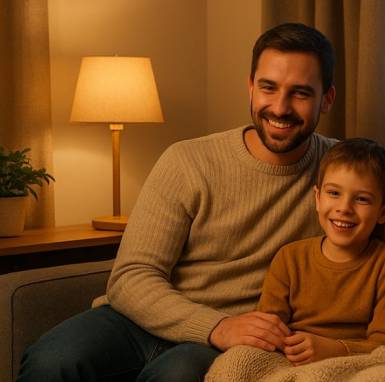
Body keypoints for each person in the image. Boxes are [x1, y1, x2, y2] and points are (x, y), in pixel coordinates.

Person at [18, 23, 338, 381]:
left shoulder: (341, 174)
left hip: (223, 343)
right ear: (250, 87)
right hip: (138, 322)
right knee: (51, 360)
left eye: (300, 93)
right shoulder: (188, 161)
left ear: (327, 99)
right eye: (268, 87)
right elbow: (130, 278)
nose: (280, 107)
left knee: (175, 376)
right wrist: (216, 325)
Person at [254, 138, 385, 366]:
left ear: (384, 213)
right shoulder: (289, 258)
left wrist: (335, 350)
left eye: (362, 199)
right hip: (290, 356)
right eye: (334, 193)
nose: (344, 208)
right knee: (237, 360)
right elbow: (268, 327)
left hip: (354, 361)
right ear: (317, 198)